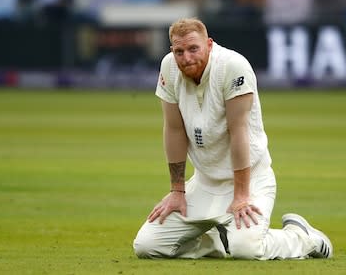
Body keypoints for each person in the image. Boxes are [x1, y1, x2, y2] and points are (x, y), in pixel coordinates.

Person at [132, 18, 333, 260]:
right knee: (147, 246)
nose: (186, 58)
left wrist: (241, 195)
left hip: (251, 180)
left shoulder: (232, 65)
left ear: (209, 44)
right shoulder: (169, 67)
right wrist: (177, 190)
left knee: (246, 249)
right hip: (205, 182)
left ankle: (302, 238)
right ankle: (218, 241)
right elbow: (174, 129)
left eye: (193, 48)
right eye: (179, 51)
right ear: (172, 50)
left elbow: (239, 131)